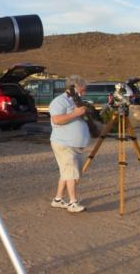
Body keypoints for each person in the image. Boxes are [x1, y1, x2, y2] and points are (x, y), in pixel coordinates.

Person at [48, 75, 90, 213]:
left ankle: (58, 199)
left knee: (68, 172)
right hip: (63, 143)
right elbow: (56, 120)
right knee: (71, 173)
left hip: (75, 145)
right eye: (83, 90)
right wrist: (75, 113)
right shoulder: (59, 101)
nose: (84, 92)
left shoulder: (75, 100)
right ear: (75, 87)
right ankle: (72, 203)